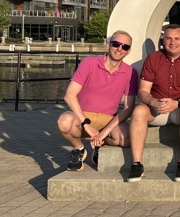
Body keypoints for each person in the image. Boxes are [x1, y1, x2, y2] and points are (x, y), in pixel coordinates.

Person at [127, 24, 180, 183]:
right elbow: (143, 91)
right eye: (168, 38)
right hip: (156, 108)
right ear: (163, 40)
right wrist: (153, 101)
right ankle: (137, 163)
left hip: (178, 108)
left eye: (176, 39)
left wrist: (177, 103)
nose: (172, 42)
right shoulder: (153, 59)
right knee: (139, 111)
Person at [57, 31, 138, 171]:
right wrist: (86, 124)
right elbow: (69, 96)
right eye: (116, 44)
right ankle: (79, 149)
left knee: (129, 138)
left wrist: (104, 132)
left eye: (125, 47)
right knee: (63, 122)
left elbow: (128, 108)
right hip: (82, 117)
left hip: (107, 119)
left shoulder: (131, 73)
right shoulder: (89, 63)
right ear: (108, 45)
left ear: (128, 51)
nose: (120, 49)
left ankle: (99, 144)